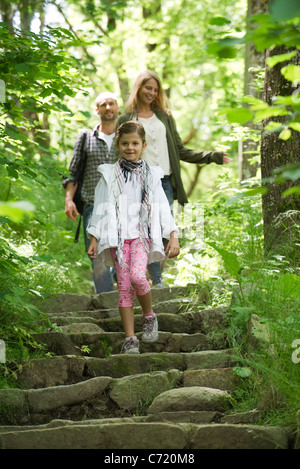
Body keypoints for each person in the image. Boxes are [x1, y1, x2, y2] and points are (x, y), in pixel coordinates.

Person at [117, 70, 232, 287]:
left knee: (162, 230)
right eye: (147, 88)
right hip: (137, 183)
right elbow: (119, 152)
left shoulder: (165, 117)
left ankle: (150, 276)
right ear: (138, 88)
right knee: (144, 230)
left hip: (165, 182)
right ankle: (155, 280)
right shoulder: (126, 119)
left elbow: (179, 149)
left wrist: (212, 156)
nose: (151, 92)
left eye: (155, 89)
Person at [87, 121, 180, 354]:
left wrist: (173, 235)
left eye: (135, 143)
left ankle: (149, 316)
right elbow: (99, 207)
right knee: (124, 288)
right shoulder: (108, 175)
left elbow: (161, 206)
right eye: (125, 143)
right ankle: (130, 339)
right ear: (118, 145)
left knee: (139, 277)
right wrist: (94, 237)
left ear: (143, 145)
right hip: (116, 240)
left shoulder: (151, 175)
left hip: (141, 236)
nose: (130, 147)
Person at [63, 91, 120, 294]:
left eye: (111, 103)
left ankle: (119, 290)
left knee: (121, 253)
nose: (107, 107)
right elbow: (73, 172)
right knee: (97, 257)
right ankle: (107, 303)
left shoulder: (126, 137)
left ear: (117, 108)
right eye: (103, 104)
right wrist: (69, 200)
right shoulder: (86, 137)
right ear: (97, 110)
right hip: (92, 205)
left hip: (122, 206)